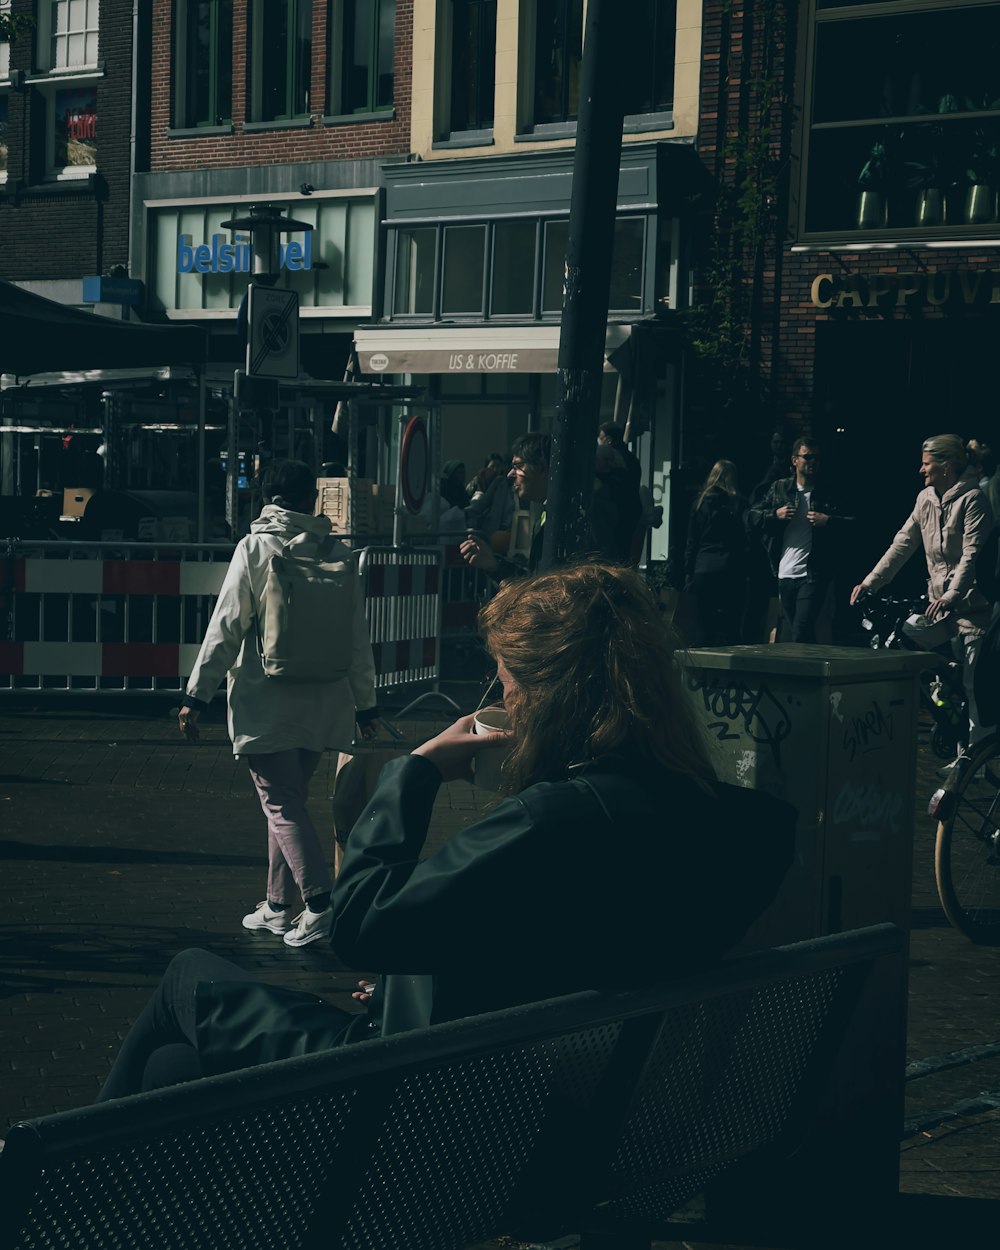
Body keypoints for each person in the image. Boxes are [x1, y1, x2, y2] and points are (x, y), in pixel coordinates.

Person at [94, 562, 795, 1100]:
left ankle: (38, 1198)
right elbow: (582, 941)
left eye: (506, 682)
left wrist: (416, 772)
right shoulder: (745, 827)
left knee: (189, 978)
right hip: (572, 1119)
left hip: (421, 1109)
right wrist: (420, 979)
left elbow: (357, 927)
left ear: (549, 695)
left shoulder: (549, 820)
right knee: (176, 1069)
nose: (500, 700)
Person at [178, 460, 380, 948]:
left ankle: (320, 904)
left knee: (281, 804)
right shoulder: (338, 552)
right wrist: (367, 705)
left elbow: (226, 626)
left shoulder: (255, 547)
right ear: (311, 499)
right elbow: (356, 640)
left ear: (266, 498)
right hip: (326, 701)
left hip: (266, 698)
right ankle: (276, 906)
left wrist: (195, 696)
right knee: (288, 804)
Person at [851, 434, 994, 772]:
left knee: (976, 686)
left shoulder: (974, 499)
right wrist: (870, 582)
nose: (921, 469)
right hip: (937, 607)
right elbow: (902, 543)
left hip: (972, 608)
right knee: (905, 634)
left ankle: (972, 762)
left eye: (926, 464)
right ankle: (946, 675)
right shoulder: (925, 499)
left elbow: (971, 556)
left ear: (945, 466)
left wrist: (951, 596)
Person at [748, 437, 850, 643]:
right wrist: (774, 515)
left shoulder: (827, 491)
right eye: (808, 457)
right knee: (795, 631)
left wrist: (828, 520)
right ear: (795, 460)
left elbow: (853, 524)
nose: (813, 462)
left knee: (800, 630)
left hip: (812, 573)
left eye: (817, 458)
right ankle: (811, 671)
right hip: (784, 572)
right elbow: (751, 516)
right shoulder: (780, 488)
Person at [460, 433, 551, 579]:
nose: (510, 474)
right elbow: (535, 581)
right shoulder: (546, 515)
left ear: (542, 468)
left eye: (518, 466)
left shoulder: (573, 518)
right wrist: (495, 565)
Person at [684, 459, 748, 645]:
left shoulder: (700, 503)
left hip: (704, 567)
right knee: (731, 622)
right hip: (731, 567)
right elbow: (744, 539)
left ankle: (704, 667)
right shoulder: (738, 505)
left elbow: (692, 540)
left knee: (705, 622)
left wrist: (688, 571)